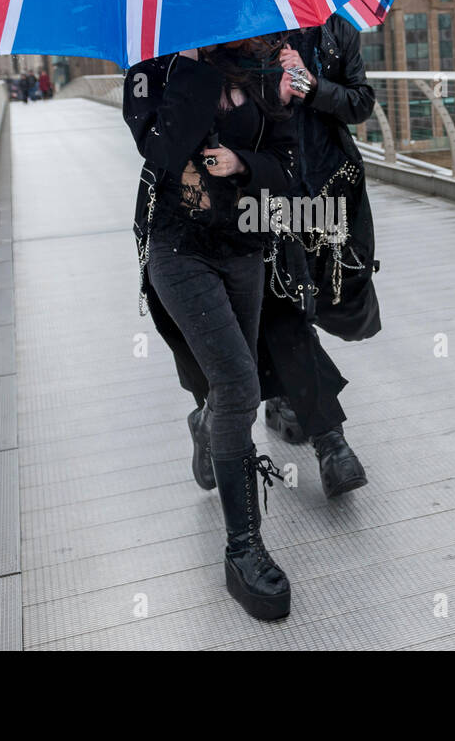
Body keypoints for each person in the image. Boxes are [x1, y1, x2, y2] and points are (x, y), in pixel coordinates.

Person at [150, 15, 381, 499]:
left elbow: (359, 102)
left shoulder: (335, 30)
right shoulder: (232, 28)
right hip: (248, 202)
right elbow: (185, 133)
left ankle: (282, 413)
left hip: (317, 192)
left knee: (298, 310)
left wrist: (312, 86)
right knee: (267, 315)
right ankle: (321, 439)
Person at [124, 35, 300, 621]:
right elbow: (162, 152)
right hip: (179, 248)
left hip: (245, 246)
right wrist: (193, 69)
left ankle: (204, 425)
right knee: (240, 388)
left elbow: (290, 168)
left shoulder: (257, 66)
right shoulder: (149, 73)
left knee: (229, 390)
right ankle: (243, 549)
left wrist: (245, 162)